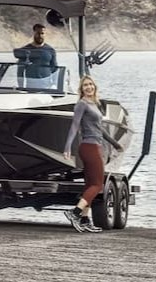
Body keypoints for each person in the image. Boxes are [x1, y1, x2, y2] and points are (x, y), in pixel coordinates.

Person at [62, 75, 124, 233]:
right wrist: (67, 147)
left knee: (90, 185)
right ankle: (75, 213)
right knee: (98, 185)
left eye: (90, 84)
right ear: (81, 90)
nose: (88, 87)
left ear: (94, 87)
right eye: (85, 86)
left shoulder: (94, 104)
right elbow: (74, 126)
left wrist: (115, 144)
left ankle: (84, 219)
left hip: (95, 146)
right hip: (89, 147)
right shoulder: (82, 104)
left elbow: (100, 129)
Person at [15, 24, 58, 89]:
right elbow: (20, 72)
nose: (40, 36)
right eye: (38, 33)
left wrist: (54, 85)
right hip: (30, 88)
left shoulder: (50, 50)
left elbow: (55, 69)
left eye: (42, 33)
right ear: (34, 33)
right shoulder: (25, 50)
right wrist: (21, 88)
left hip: (47, 88)